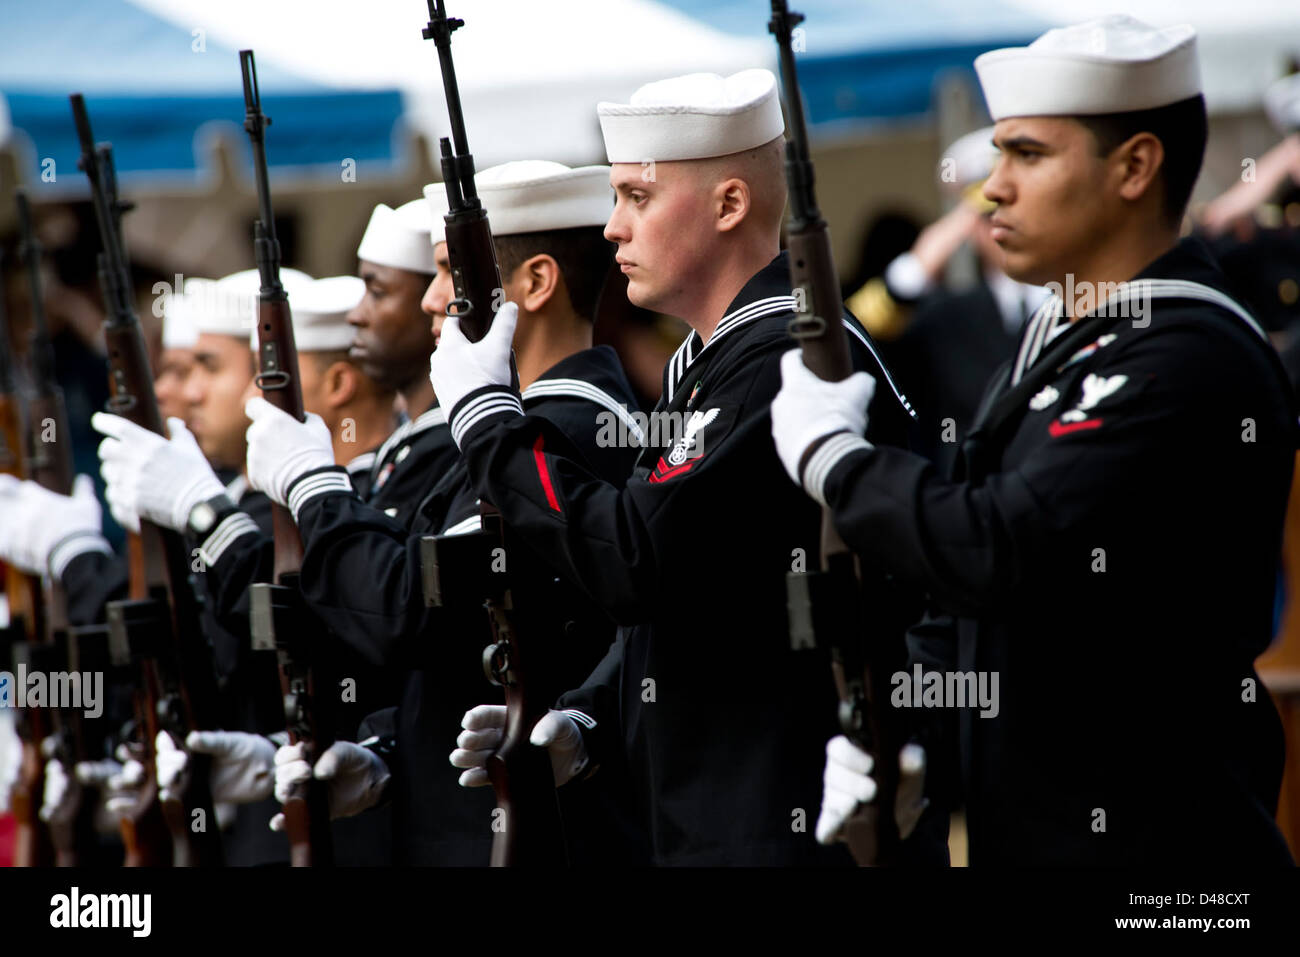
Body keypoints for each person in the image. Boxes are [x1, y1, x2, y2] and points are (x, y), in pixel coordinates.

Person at [771, 15, 1298, 866]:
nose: (992, 190)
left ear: (1135, 166)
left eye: (1028, 155)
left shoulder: (1186, 348)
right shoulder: (1067, 333)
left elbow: (1002, 540)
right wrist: (912, 738)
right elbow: (973, 610)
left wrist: (839, 464)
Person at [437, 70, 918, 865]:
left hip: (782, 826)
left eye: (638, 197)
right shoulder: (714, 361)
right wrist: (588, 717)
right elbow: (692, 587)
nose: (610, 229)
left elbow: (635, 557)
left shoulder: (782, 360)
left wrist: (489, 422)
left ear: (730, 204)